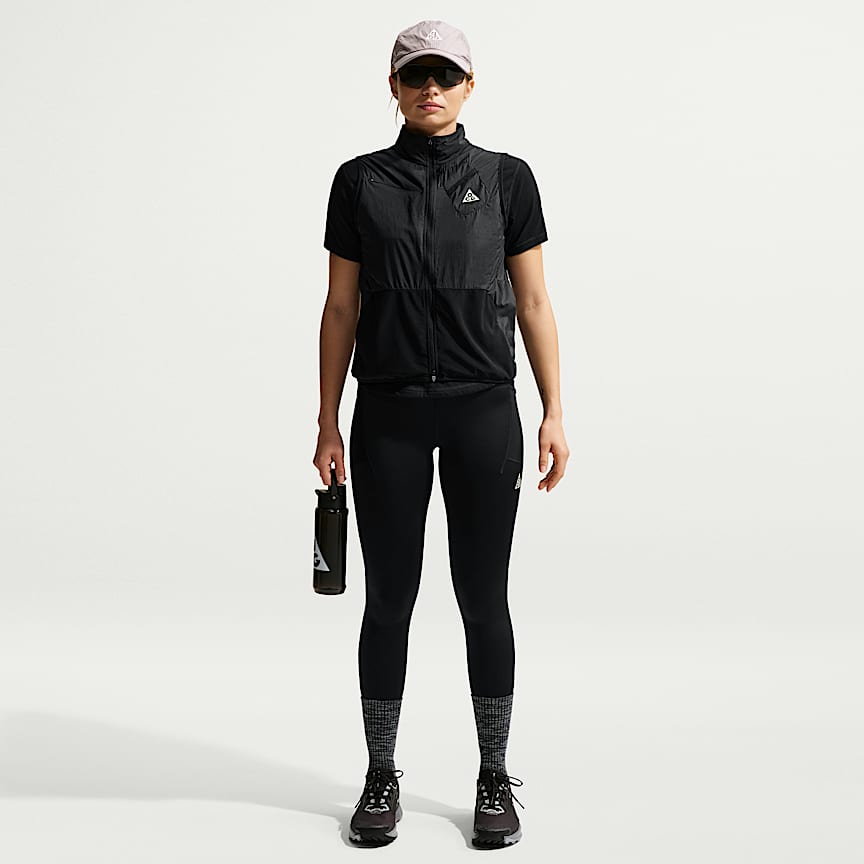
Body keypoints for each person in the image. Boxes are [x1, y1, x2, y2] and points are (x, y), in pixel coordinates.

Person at [314, 19, 569, 848]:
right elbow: (341, 306)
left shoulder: (506, 179)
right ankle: (380, 774)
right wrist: (326, 420)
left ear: (469, 86)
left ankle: (493, 777)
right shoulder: (359, 182)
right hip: (387, 413)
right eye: (416, 76)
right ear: (392, 87)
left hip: (482, 412)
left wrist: (553, 410)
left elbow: (533, 301)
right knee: (388, 600)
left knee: (483, 599)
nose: (431, 88)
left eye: (446, 76)